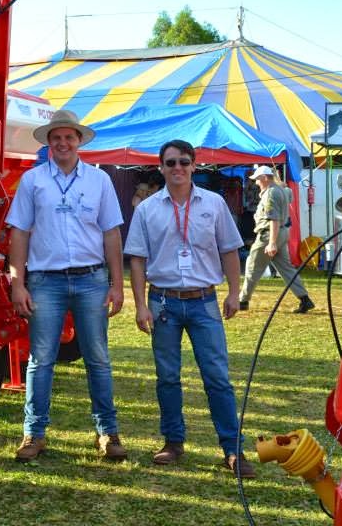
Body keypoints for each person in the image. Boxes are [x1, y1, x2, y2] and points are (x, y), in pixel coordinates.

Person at [125, 139, 255, 478]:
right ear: (161, 168)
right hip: (163, 302)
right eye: (170, 163)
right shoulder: (147, 209)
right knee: (167, 377)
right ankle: (173, 442)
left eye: (184, 162)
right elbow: (137, 260)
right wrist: (140, 306)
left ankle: (233, 449)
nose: (178, 168)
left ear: (194, 165)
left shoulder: (214, 203)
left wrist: (234, 292)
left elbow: (229, 250)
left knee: (217, 377)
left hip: (205, 301)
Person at [6, 109, 127, 463]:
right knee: (40, 360)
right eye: (56, 138)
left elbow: (111, 234)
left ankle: (107, 432)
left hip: (92, 279)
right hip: (45, 280)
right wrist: (17, 283)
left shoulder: (99, 180)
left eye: (68, 137)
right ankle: (34, 433)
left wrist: (117, 284)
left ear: (79, 141)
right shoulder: (32, 180)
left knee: (98, 358)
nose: (62, 143)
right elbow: (19, 233)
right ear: (48, 142)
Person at [238, 165, 315, 315]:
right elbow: (289, 193)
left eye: (257, 179)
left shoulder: (270, 193)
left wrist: (272, 243)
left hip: (269, 235)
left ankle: (243, 301)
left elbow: (273, 219)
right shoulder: (281, 190)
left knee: (253, 266)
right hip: (282, 233)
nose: (256, 183)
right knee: (286, 269)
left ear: (265, 178)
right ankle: (304, 299)